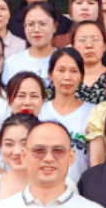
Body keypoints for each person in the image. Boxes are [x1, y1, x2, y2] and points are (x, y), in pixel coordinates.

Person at [40, 48, 96, 178]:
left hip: (80, 187)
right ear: (50, 75)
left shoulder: (93, 113)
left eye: (74, 71)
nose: (67, 77)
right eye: (61, 70)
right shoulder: (40, 112)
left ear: (82, 77)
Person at [2, 2, 60, 88]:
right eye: (30, 24)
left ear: (55, 26)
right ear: (24, 27)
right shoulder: (12, 63)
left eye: (42, 24)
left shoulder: (65, 60)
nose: (36, 29)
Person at [71, 20, 106, 104]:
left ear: (104, 46)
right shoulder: (64, 78)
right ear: (73, 46)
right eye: (82, 40)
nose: (89, 45)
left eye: (95, 39)